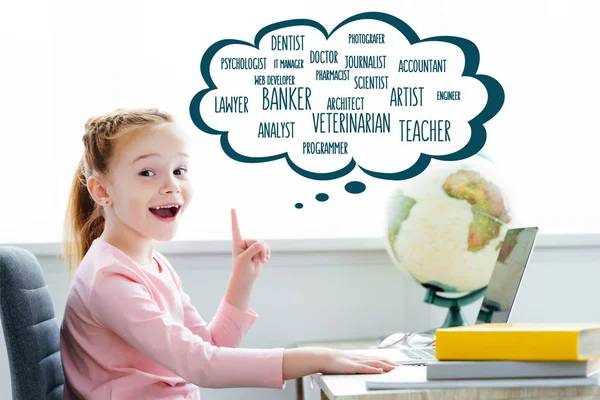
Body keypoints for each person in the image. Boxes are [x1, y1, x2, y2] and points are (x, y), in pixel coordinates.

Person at [59, 108, 399, 399]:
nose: (171, 185)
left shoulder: (151, 264)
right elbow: (201, 365)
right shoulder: (110, 279)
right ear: (102, 190)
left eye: (179, 170)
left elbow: (209, 346)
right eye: (147, 172)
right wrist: (318, 358)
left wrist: (242, 279)